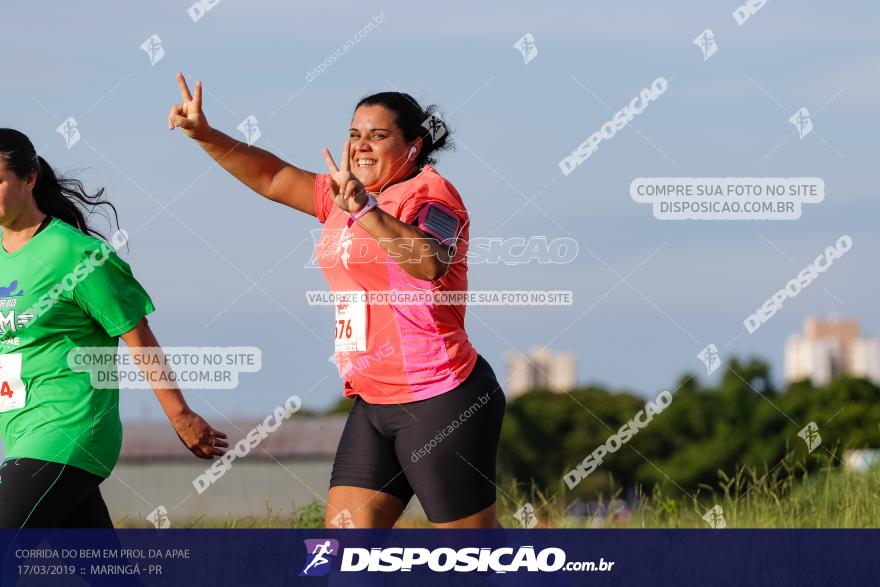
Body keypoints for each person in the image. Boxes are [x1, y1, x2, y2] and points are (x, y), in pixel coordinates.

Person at [169, 73, 506, 529]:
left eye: (378, 136)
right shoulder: (345, 196)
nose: (361, 146)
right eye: (354, 135)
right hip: (372, 400)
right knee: (343, 556)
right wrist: (204, 135)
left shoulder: (428, 191)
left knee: (478, 560)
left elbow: (431, 262)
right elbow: (272, 177)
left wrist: (366, 211)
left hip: (439, 396)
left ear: (413, 146)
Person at [0, 128, 228, 528]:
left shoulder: (74, 253)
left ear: (29, 178)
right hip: (20, 433)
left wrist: (180, 415)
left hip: (67, 431)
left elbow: (137, 335)